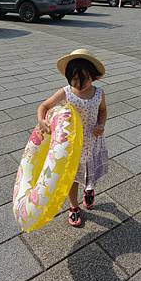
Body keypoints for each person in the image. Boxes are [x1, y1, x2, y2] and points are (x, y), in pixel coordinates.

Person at [37, 49, 108, 227]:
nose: (79, 83)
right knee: (71, 176)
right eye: (74, 78)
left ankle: (89, 190)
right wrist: (41, 121)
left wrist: (101, 124)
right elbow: (44, 106)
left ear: (94, 76)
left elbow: (103, 110)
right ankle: (74, 206)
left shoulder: (99, 93)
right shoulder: (66, 92)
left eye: (84, 78)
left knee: (90, 172)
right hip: (71, 144)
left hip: (92, 142)